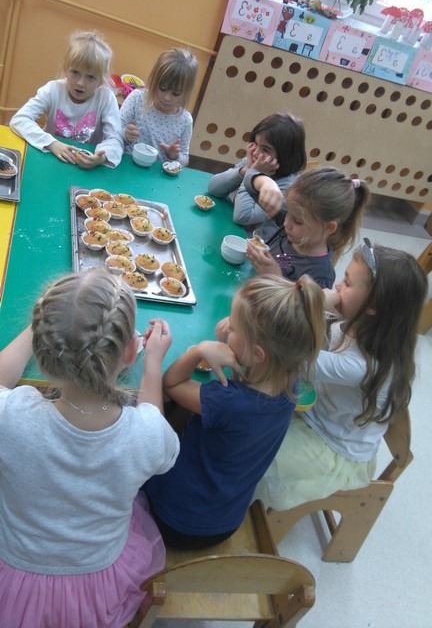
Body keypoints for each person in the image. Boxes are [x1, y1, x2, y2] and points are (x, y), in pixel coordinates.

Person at [0, 269, 179, 628]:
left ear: (43, 350)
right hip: (97, 576)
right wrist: (153, 366)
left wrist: (44, 324)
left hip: (14, 568)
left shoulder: (12, 416)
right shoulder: (147, 434)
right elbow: (153, 424)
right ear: (130, 351)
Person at [144, 273, 325, 549]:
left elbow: (172, 384)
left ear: (258, 354)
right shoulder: (290, 382)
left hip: (177, 519)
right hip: (225, 519)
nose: (227, 325)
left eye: (235, 326)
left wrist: (199, 350)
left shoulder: (227, 402)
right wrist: (233, 342)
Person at [251, 241, 428, 511]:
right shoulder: (362, 321)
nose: (337, 286)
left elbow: (289, 353)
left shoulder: (362, 365)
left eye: (347, 282)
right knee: (249, 420)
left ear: (373, 306)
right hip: (314, 412)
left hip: (333, 446)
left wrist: (310, 304)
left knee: (254, 459)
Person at [10, 29, 123, 169]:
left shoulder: (106, 98)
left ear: (100, 80)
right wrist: (52, 143)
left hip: (85, 168)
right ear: (66, 69)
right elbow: (20, 119)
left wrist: (101, 158)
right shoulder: (53, 90)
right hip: (50, 159)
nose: (81, 83)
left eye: (90, 77)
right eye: (75, 72)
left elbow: (115, 139)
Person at [243, 165, 370, 288]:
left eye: (298, 221)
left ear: (329, 228)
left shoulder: (321, 275)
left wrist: (277, 278)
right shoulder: (291, 227)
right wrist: (265, 183)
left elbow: (306, 303)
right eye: (288, 213)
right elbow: (249, 179)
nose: (286, 223)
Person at [207, 112, 306, 240]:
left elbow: (242, 216)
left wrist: (252, 174)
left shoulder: (287, 187)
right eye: (255, 143)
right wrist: (244, 170)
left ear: (285, 156)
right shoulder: (253, 163)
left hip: (249, 243)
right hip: (224, 226)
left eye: (265, 149)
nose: (255, 152)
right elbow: (213, 188)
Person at [120, 47, 198, 165]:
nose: (167, 97)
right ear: (154, 80)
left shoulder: (185, 120)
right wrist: (125, 136)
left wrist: (174, 156)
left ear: (186, 92)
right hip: (127, 167)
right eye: (162, 88)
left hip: (158, 174)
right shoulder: (137, 98)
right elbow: (112, 133)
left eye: (176, 93)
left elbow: (184, 159)